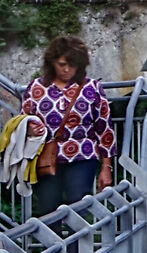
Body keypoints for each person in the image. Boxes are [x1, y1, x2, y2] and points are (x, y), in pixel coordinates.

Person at [21, 35, 115, 214]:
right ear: (52, 62)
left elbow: (104, 129)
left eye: (72, 65)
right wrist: (30, 129)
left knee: (79, 207)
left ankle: (77, 243)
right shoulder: (36, 88)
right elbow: (22, 121)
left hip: (83, 155)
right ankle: (53, 243)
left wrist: (106, 167)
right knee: (48, 211)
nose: (66, 70)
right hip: (45, 157)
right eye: (61, 64)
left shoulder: (92, 88)